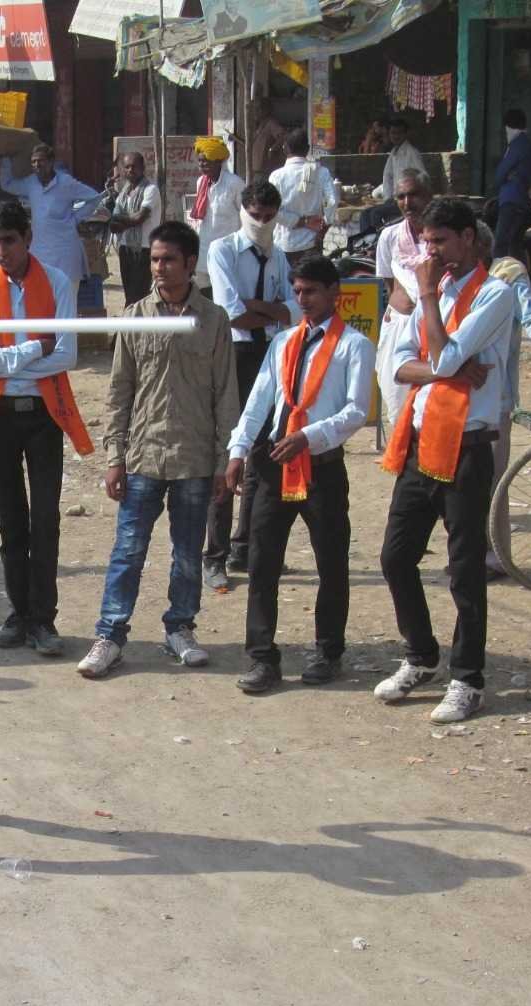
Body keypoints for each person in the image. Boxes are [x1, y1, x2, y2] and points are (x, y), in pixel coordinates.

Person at [376, 198, 517, 724]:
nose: (431, 253)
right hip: (420, 442)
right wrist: (447, 369)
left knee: (464, 568)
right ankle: (421, 655)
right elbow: (399, 366)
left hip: (468, 446)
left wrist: (432, 307)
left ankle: (468, 679)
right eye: (426, 243)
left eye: (439, 242)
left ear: (468, 239)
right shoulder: (432, 293)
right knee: (396, 557)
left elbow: (439, 355)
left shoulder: (494, 294)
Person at [78, 220, 237, 679]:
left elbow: (226, 395)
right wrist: (115, 458)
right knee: (128, 551)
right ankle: (110, 635)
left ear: (190, 263)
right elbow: (119, 391)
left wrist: (224, 462)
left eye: (169, 259)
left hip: (194, 458)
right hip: (143, 455)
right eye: (154, 259)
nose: (160, 268)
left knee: (187, 553)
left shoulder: (213, 320)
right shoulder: (135, 317)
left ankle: (180, 629)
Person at [228, 256, 373, 695]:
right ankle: (262, 657)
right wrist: (237, 450)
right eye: (297, 292)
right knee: (262, 562)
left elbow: (356, 411)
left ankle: (328, 651)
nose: (303, 299)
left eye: (311, 291)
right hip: (275, 463)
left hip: (321, 467)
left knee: (331, 562)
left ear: (334, 293)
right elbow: (259, 400)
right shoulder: (284, 341)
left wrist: (309, 436)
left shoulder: (353, 345)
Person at [0, 200, 94, 655]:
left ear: (28, 239)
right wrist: (34, 350)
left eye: (9, 240)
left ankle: (43, 619)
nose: (1, 250)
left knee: (45, 520)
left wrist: (6, 365)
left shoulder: (57, 282)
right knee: (11, 518)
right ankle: (18, 613)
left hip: (44, 414)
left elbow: (68, 354)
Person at [203, 179, 301, 593]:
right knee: (229, 448)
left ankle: (246, 546)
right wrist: (273, 311)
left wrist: (261, 308)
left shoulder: (279, 257)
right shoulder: (222, 249)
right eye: (255, 215)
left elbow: (294, 310)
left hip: (270, 354)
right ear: (243, 211)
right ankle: (215, 553)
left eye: (268, 216)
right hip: (233, 354)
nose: (261, 222)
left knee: (262, 450)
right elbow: (231, 312)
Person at [476, 225, 531, 574]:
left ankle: (495, 557)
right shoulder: (450, 279)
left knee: (493, 481)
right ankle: (469, 553)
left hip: (495, 399)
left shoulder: (506, 275)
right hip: (455, 400)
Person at [374, 168, 433, 437]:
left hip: (435, 328)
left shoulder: (440, 237)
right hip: (399, 328)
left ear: (429, 196)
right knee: (399, 410)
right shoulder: (389, 237)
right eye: (401, 197)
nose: (407, 203)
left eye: (414, 195)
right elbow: (390, 286)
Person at [1, 143, 104, 293]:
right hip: (40, 250)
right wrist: (5, 159)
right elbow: (7, 184)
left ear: (50, 162)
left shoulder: (65, 182)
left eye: (41, 161)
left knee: (66, 299)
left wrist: (75, 219)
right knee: (39, 299)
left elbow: (94, 197)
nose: (37, 165)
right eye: (33, 162)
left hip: (65, 251)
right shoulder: (31, 183)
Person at [270, 128, 341, 266]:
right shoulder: (321, 172)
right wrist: (323, 226)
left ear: (285, 148)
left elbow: (273, 211)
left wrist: (300, 222)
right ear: (308, 149)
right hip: (312, 242)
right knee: (312, 279)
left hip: (285, 244)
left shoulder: (277, 176)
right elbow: (332, 201)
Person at [190, 136, 243, 291]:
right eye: (200, 161)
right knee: (204, 292)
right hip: (204, 249)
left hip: (227, 250)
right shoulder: (201, 182)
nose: (202, 164)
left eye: (206, 161)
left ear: (218, 162)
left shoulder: (235, 183)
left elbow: (245, 215)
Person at [108, 152, 160, 306]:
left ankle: (136, 321)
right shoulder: (123, 194)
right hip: (126, 248)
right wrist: (121, 221)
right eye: (127, 167)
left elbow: (139, 218)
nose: (130, 170)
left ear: (142, 168)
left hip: (144, 249)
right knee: (129, 294)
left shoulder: (150, 190)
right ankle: (130, 320)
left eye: (134, 166)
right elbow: (114, 224)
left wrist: (120, 220)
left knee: (139, 295)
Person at [493, 109, 531, 268]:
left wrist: (505, 176)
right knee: (514, 243)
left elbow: (500, 173)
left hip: (512, 200)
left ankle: (498, 276)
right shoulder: (524, 143)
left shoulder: (518, 144)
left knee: (501, 244)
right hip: (519, 199)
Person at [374, 118, 424, 201]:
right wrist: (388, 199)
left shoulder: (412, 153)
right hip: (396, 197)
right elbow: (387, 176)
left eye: (399, 133)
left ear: (406, 134)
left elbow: (422, 177)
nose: (396, 136)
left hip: (407, 199)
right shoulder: (393, 153)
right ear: (389, 134)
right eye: (393, 133)